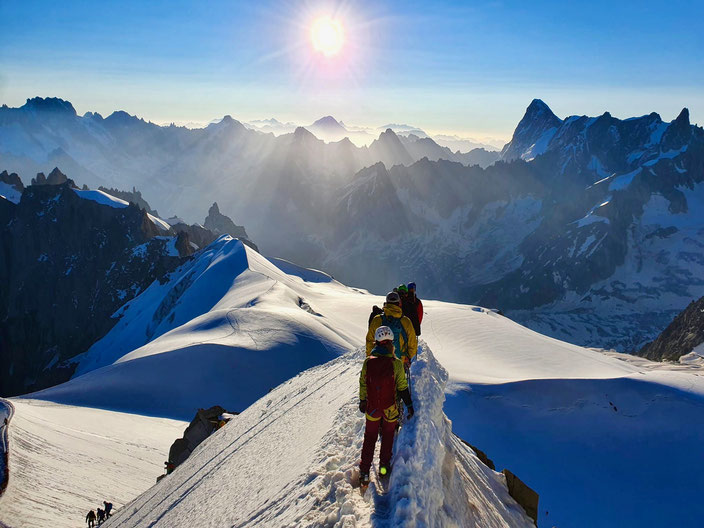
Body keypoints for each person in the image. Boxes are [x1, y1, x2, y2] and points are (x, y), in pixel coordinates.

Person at [359, 326, 414, 486]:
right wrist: (409, 404)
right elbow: (402, 386)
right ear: (391, 343)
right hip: (390, 409)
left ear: (376, 342)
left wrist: (363, 400)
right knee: (388, 437)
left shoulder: (368, 362)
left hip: (372, 408)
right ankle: (383, 468)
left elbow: (363, 382)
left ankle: (364, 472)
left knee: (370, 437)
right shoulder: (396, 363)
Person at [367, 292, 417, 366]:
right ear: (399, 303)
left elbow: (370, 341)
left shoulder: (377, 320)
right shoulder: (405, 321)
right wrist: (407, 357)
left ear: (386, 303)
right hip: (399, 361)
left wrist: (370, 357)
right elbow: (412, 343)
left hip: (378, 361)